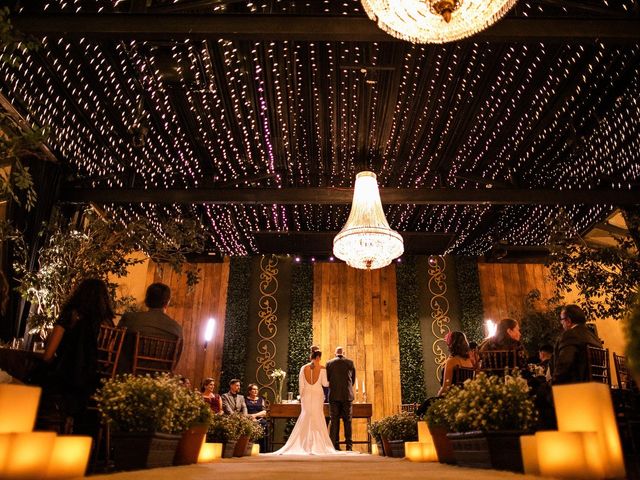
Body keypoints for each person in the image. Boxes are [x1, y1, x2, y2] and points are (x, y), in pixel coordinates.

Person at [38, 278, 115, 426]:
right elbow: (106, 360)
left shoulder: (70, 315)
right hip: (94, 385)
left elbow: (47, 355)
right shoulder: (108, 324)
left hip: (65, 379)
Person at [272, 350, 337, 455]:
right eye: (320, 357)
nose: (320, 359)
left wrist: (301, 397)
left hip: (306, 395)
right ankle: (318, 444)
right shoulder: (322, 368)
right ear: (317, 358)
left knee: (306, 416)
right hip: (317, 394)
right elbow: (325, 384)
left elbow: (301, 386)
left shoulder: (303, 368)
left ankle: (304, 444)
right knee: (317, 417)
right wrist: (333, 381)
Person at [117, 282, 182, 373]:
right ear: (167, 302)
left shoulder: (130, 318)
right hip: (159, 379)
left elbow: (115, 345)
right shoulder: (177, 329)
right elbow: (175, 362)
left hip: (129, 375)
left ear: (146, 300)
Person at [552, 304, 601, 385]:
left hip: (575, 389)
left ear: (568, 321)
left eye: (562, 320)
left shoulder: (570, 335)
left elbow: (564, 365)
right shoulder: (594, 337)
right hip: (595, 388)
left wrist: (552, 384)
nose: (562, 324)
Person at [326, 346, 356, 451]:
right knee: (347, 421)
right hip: (347, 396)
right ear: (344, 353)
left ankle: (334, 446)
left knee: (334, 421)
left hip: (334, 396)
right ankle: (349, 446)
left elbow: (328, 378)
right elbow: (353, 380)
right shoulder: (350, 363)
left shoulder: (329, 363)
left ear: (335, 353)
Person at [437, 331, 474, 396]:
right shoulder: (471, 360)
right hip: (469, 397)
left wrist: (437, 398)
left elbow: (446, 388)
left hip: (454, 398)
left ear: (452, 344)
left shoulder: (451, 361)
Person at [246, 383, 268, 453]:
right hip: (249, 418)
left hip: (259, 419)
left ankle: (262, 450)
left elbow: (264, 412)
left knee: (263, 423)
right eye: (254, 389)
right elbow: (244, 411)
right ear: (249, 391)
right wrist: (251, 417)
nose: (256, 391)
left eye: (257, 389)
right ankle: (249, 449)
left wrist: (255, 415)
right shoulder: (245, 399)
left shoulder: (261, 400)